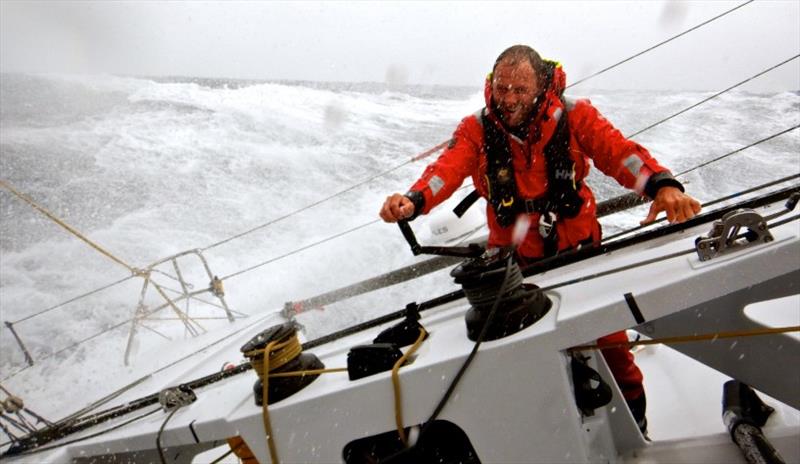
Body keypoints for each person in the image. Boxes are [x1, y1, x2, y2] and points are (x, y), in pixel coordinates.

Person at [379, 45, 701, 434]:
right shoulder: (475, 129)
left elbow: (621, 155)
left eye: (519, 89)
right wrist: (413, 201)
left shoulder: (575, 115)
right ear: (490, 85)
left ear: (541, 86)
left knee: (614, 355)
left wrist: (662, 185)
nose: (509, 99)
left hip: (580, 258)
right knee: (521, 363)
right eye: (502, 89)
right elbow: (444, 171)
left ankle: (636, 426)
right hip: (515, 272)